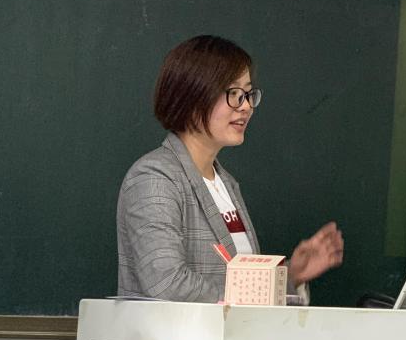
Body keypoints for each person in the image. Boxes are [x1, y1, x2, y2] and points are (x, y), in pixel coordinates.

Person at [117, 35, 343, 302]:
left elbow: (240, 287)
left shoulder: (226, 184)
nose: (246, 106)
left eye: (247, 94)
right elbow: (166, 283)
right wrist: (253, 299)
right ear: (193, 96)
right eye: (234, 94)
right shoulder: (155, 178)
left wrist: (291, 275)